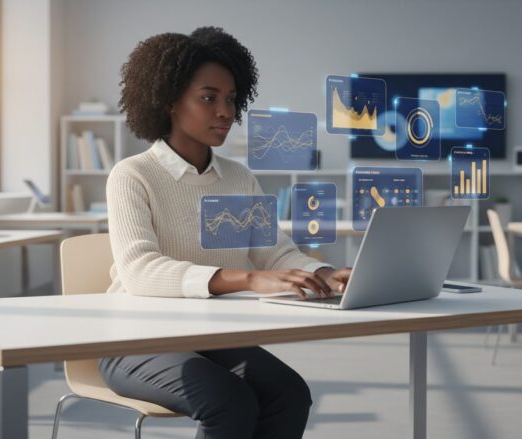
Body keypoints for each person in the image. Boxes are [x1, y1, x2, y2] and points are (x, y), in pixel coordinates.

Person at [100, 26, 352, 438]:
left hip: (213, 337)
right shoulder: (132, 175)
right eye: (208, 98)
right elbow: (139, 271)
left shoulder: (238, 177)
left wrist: (324, 273)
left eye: (231, 100)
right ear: (168, 101)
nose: (225, 111)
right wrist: (249, 278)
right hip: (135, 340)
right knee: (228, 401)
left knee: (290, 394)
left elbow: (274, 254)